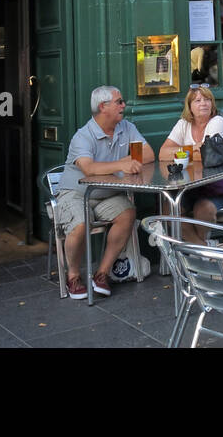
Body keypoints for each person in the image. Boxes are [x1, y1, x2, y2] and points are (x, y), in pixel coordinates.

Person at [55, 85, 155, 300]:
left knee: (127, 213)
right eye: (119, 102)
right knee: (81, 224)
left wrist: (128, 162)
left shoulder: (126, 128)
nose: (123, 105)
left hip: (107, 194)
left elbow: (147, 154)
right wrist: (123, 163)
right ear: (103, 107)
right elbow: (89, 169)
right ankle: (72, 275)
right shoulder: (83, 136)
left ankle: (102, 274)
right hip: (76, 193)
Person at [159, 85, 223, 244]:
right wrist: (192, 149)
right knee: (167, 209)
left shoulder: (217, 122)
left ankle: (199, 250)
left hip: (220, 183)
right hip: (191, 185)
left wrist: (182, 152)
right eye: (197, 100)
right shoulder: (183, 124)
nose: (204, 103)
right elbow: (163, 154)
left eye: (207, 99)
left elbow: (206, 157)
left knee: (203, 209)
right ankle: (203, 248)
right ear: (189, 106)